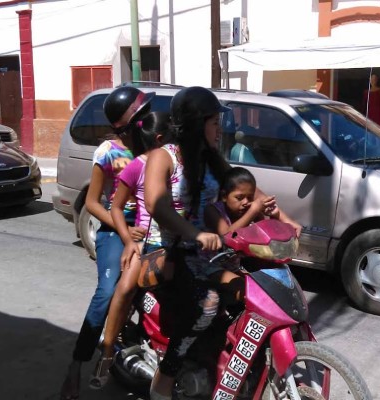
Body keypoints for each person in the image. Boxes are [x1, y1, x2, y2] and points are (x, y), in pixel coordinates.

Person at [143, 86, 301, 400]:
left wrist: (286, 219)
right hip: (176, 251)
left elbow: (251, 193)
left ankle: (230, 361)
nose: (220, 129)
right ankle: (165, 377)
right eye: (215, 122)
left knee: (258, 289)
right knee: (208, 304)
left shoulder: (212, 159)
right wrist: (194, 234)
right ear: (195, 123)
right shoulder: (164, 157)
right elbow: (155, 205)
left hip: (217, 250)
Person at [60, 85, 155, 400]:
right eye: (143, 116)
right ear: (127, 125)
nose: (149, 119)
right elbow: (93, 203)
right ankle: (78, 363)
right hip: (116, 230)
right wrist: (126, 229)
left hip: (152, 230)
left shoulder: (155, 148)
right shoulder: (108, 152)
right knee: (107, 290)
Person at [89, 111, 172, 388]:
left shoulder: (177, 163)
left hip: (174, 241)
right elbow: (115, 206)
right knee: (123, 288)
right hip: (147, 241)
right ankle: (107, 352)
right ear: (159, 139)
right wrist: (128, 240)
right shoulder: (137, 165)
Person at [204, 166, 280, 237]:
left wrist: (274, 216)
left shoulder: (251, 211)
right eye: (239, 198)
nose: (246, 202)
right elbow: (226, 236)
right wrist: (253, 211)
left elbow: (265, 235)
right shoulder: (212, 210)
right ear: (224, 196)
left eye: (250, 197)